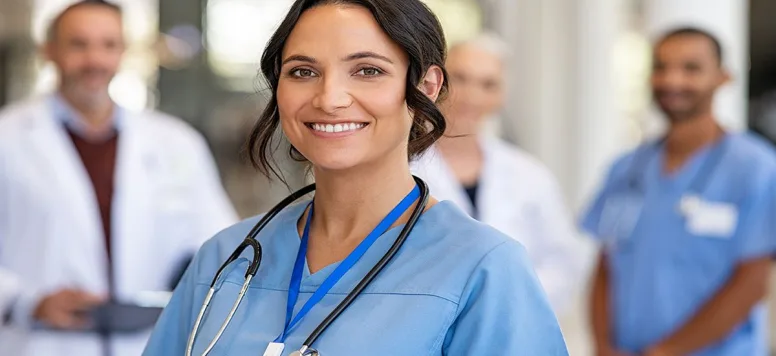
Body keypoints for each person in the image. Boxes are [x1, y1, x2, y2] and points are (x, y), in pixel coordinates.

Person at [142, 0, 568, 355]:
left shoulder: (484, 269)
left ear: (426, 87)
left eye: (368, 70)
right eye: (303, 71)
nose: (329, 99)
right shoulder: (225, 260)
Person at [0, 1, 237, 355]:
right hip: (40, 342)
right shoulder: (7, 138)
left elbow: (221, 243)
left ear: (122, 52)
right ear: (49, 51)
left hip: (149, 343)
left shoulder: (176, 143)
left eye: (108, 45)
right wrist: (23, 301)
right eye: (78, 44)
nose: (95, 60)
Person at [581, 27, 776, 356]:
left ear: (723, 78)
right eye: (661, 67)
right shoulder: (627, 168)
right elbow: (605, 268)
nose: (672, 80)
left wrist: (664, 352)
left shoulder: (757, 169)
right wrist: (603, 347)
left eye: (691, 68)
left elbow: (752, 284)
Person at [411, 33, 585, 315]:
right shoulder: (405, 169)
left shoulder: (530, 175)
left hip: (515, 325)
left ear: (501, 95)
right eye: (461, 78)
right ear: (435, 82)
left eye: (488, 84)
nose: (472, 95)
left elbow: (562, 260)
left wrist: (510, 302)